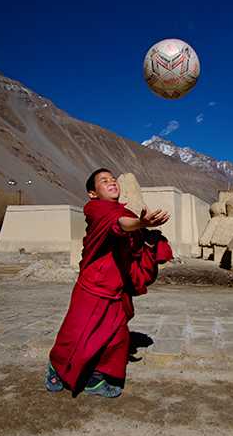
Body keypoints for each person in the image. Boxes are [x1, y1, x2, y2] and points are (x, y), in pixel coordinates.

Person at [45, 168, 173, 398]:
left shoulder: (123, 211)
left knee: (115, 339)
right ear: (93, 193)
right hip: (93, 287)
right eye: (104, 181)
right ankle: (56, 367)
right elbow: (120, 224)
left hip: (117, 287)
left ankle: (96, 379)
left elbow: (130, 238)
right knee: (76, 336)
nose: (112, 182)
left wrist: (149, 240)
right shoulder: (96, 209)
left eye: (113, 179)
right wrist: (140, 223)